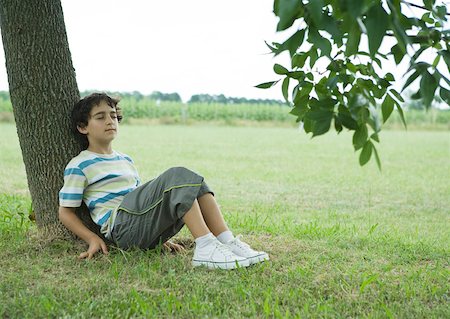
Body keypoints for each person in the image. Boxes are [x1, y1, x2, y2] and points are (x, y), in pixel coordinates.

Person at [58, 92, 269, 270]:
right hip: (121, 228)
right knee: (178, 176)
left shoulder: (125, 160)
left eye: (113, 115)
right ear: (82, 127)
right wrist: (92, 238)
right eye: (100, 117)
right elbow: (65, 212)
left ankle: (227, 242)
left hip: (137, 225)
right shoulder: (80, 164)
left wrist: (159, 236)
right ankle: (205, 246)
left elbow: (144, 206)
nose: (109, 121)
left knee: (195, 184)